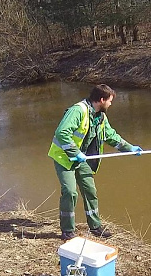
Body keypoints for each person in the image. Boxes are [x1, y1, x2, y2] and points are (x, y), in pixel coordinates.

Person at [48, 84, 143, 241]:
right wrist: (75, 152)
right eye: (110, 101)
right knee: (70, 192)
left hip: (82, 158)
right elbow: (61, 132)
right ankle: (67, 230)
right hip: (64, 157)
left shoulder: (100, 117)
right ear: (101, 100)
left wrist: (130, 148)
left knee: (90, 191)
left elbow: (111, 136)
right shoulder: (78, 111)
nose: (111, 104)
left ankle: (95, 226)